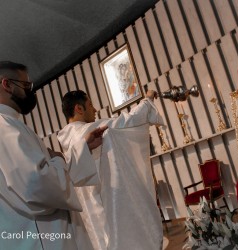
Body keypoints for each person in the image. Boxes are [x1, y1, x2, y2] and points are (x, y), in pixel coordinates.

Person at [0, 61, 108, 250]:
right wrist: (57, 159)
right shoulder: (4, 127)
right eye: (26, 85)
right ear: (7, 84)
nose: (30, 91)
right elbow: (38, 185)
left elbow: (46, 174)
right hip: (42, 238)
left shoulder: (11, 123)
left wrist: (82, 149)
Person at [57, 89, 164, 250]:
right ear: (79, 108)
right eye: (90, 105)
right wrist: (147, 99)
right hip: (109, 207)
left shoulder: (68, 141)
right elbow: (128, 121)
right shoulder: (89, 130)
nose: (95, 110)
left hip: (91, 215)